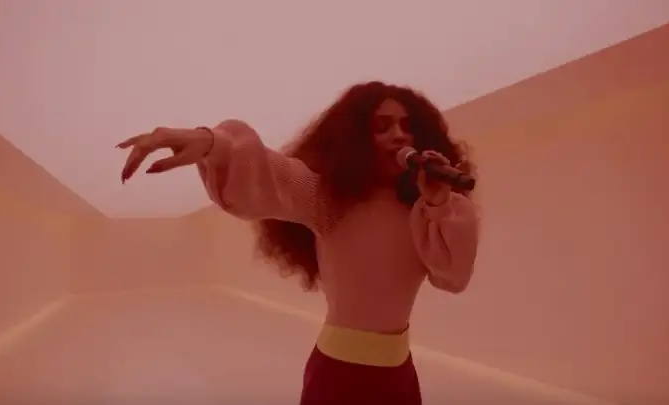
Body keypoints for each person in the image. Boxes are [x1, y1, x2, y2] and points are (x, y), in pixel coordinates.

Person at [117, 81, 479, 405]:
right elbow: (270, 172)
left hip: (399, 375)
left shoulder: (425, 212)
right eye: (381, 127)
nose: (399, 136)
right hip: (338, 375)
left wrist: (438, 203)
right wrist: (213, 143)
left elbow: (453, 276)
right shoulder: (329, 202)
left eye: (407, 126)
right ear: (355, 138)